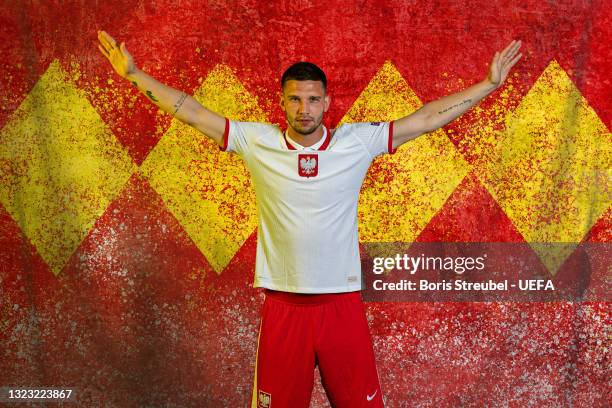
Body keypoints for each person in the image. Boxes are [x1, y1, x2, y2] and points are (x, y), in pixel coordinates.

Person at [97, 30, 522, 407]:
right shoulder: (257, 141)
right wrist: (134, 75)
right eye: (296, 99)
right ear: (282, 101)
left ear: (327, 102)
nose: (305, 108)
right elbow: (191, 111)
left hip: (342, 306)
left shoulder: (357, 142)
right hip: (284, 307)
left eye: (313, 99)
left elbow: (427, 117)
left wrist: (488, 85)